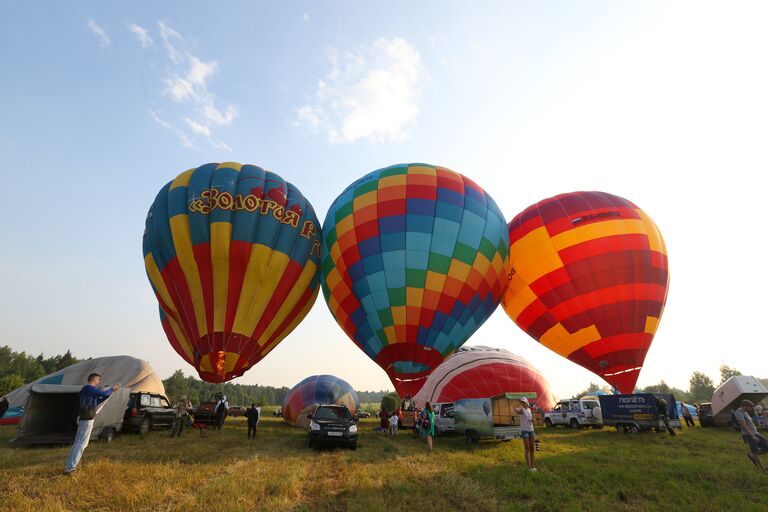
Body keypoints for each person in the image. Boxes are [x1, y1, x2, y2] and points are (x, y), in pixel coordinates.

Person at [65, 373, 119, 475]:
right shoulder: (89, 388)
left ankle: (70, 466)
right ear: (94, 379)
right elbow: (103, 394)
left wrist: (110, 393)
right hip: (87, 419)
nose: (99, 382)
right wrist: (113, 389)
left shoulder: (86, 390)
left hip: (83, 418)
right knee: (82, 444)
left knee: (77, 443)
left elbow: (98, 400)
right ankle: (70, 468)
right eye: (99, 380)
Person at [734, 400, 768, 471]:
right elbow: (744, 426)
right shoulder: (738, 413)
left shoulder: (745, 412)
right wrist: (753, 436)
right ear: (745, 406)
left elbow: (750, 422)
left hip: (755, 432)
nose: (751, 409)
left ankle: (751, 455)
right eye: (750, 407)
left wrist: (756, 426)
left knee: (766, 446)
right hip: (749, 435)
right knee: (755, 450)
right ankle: (762, 468)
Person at [517, 397, 537, 471]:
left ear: (527, 403)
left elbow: (530, 419)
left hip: (531, 430)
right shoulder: (521, 409)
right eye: (522, 402)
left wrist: (533, 420)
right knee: (527, 448)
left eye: (524, 402)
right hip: (524, 431)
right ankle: (529, 468)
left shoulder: (529, 410)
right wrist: (519, 409)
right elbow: (516, 410)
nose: (523, 403)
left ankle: (533, 466)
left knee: (532, 448)